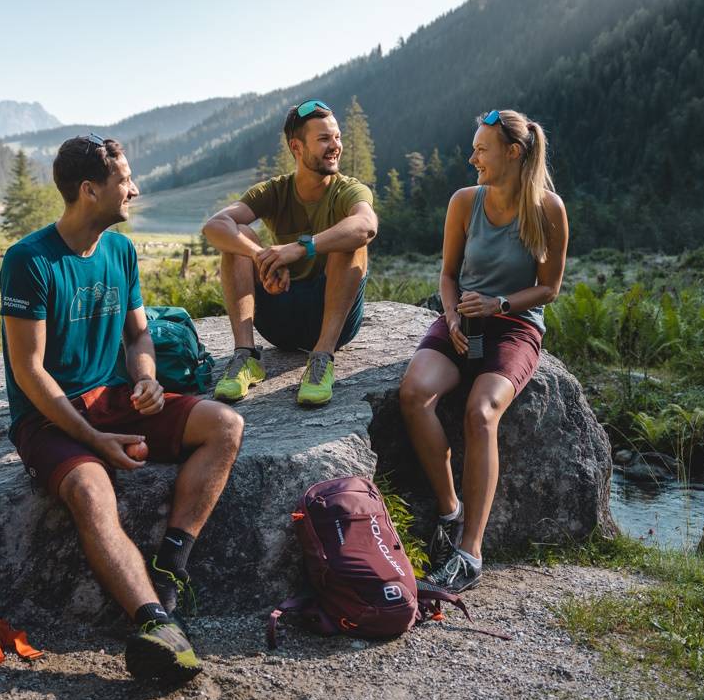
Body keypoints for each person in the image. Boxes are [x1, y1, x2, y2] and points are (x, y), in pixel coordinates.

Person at [0, 135, 244, 684]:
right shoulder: (28, 261)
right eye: (124, 180)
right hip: (48, 416)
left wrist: (148, 379)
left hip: (113, 398)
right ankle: (154, 622)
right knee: (90, 490)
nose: (133, 189)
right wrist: (91, 439)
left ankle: (171, 565)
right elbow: (29, 371)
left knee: (225, 425)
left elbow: (138, 335)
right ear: (89, 190)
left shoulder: (120, 251)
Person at [398, 109, 568, 593]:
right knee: (414, 394)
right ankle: (451, 511)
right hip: (462, 322)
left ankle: (470, 553)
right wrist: (451, 318)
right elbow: (447, 276)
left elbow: (550, 288)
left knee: (481, 412)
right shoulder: (463, 202)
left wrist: (501, 304)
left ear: (513, 153)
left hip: (514, 325)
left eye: (482, 149)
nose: (472, 157)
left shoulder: (548, 209)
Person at [201, 100, 378, 406]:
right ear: (296, 147)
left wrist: (300, 248)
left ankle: (322, 359)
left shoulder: (349, 190)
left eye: (337, 137)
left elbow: (366, 225)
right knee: (237, 238)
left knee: (351, 240)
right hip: (280, 316)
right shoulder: (274, 191)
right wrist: (262, 257)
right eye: (324, 139)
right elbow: (215, 225)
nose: (335, 146)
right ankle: (245, 356)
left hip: (333, 318)